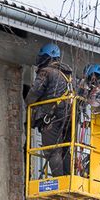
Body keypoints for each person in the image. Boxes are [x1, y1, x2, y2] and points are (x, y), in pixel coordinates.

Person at [24, 42, 76, 177]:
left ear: (48, 57)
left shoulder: (46, 72)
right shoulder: (69, 76)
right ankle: (68, 179)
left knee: (52, 151)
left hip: (52, 118)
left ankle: (59, 181)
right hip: (69, 117)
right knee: (65, 149)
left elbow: (34, 93)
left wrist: (28, 104)